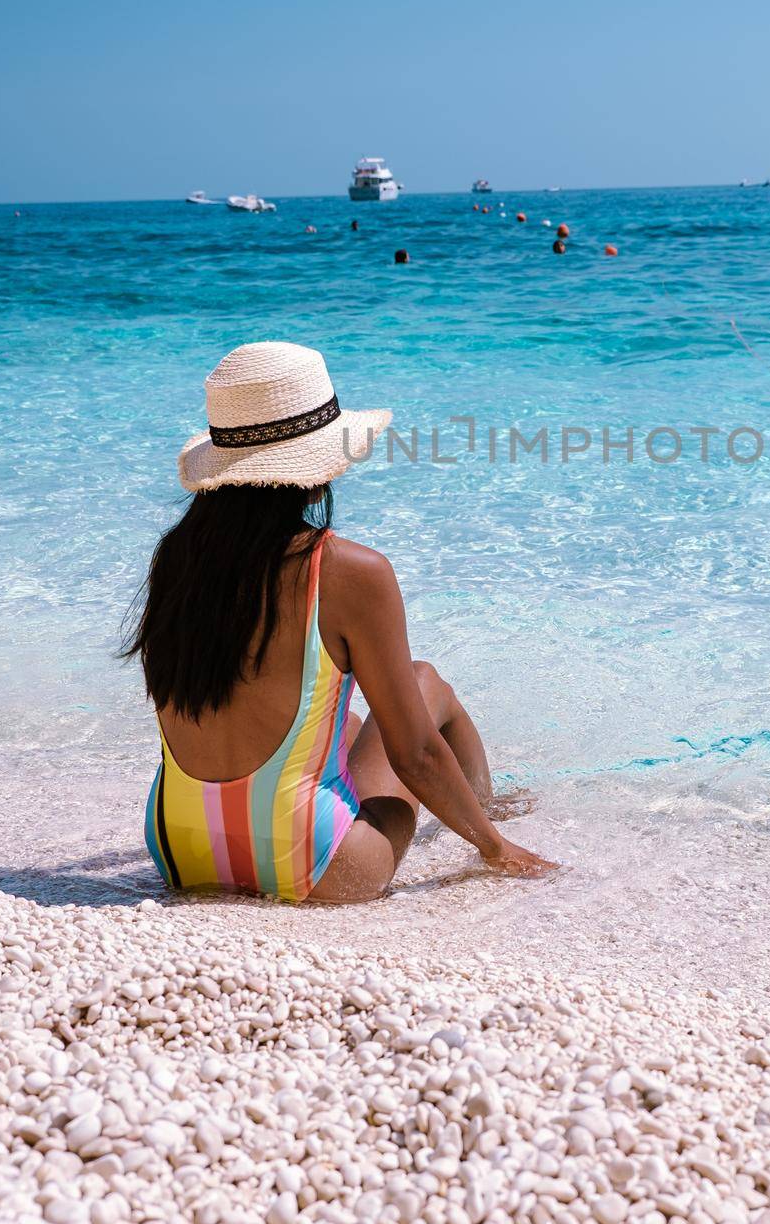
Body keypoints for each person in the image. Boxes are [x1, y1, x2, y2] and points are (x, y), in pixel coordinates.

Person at [126, 341, 556, 903]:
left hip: (180, 853)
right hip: (313, 865)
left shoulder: (176, 558)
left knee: (344, 724)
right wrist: (494, 849)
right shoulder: (351, 571)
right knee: (425, 684)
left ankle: (481, 808)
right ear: (319, 462)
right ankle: (488, 816)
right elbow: (416, 754)